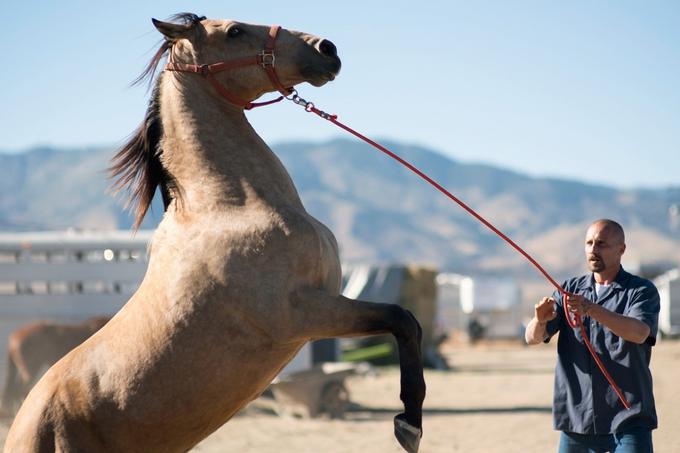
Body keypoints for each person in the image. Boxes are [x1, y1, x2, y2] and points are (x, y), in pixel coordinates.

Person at [525, 219, 660, 453]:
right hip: (578, 421)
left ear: (621, 249)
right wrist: (539, 320)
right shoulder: (568, 290)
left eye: (602, 244)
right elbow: (532, 338)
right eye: (589, 243)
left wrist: (591, 309)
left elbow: (639, 333)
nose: (593, 250)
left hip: (628, 420)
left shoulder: (641, 291)